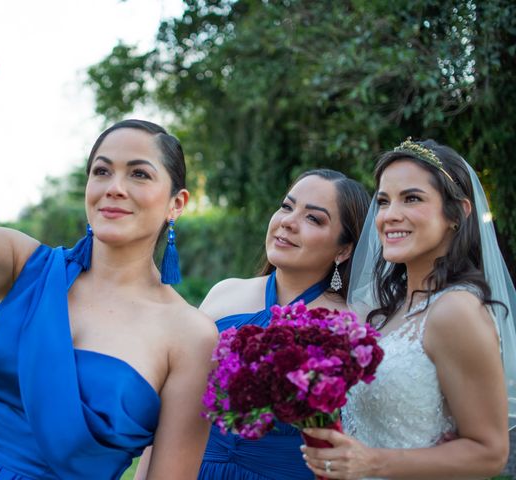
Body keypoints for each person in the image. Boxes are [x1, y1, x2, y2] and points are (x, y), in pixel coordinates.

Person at [0, 11, 218, 480]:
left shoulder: (192, 337)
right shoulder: (26, 268)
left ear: (176, 203)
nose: (114, 187)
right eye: (102, 171)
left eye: (138, 173)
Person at [136, 169, 370, 479]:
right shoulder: (225, 293)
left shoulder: (351, 323)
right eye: (287, 207)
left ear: (345, 249)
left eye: (313, 218)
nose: (287, 221)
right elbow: (174, 408)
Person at [303, 139, 512, 479]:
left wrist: (371, 462)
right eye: (383, 201)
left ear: (457, 214)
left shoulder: (455, 311)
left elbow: (489, 453)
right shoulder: (386, 311)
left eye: (412, 198)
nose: (389, 215)